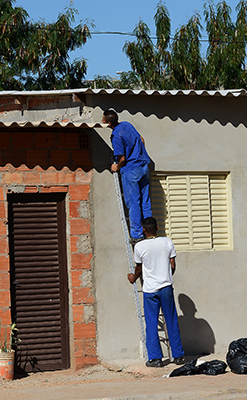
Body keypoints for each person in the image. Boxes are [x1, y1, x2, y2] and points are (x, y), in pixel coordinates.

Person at [128, 217, 185, 368]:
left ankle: (156, 359)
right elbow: (172, 265)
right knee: (171, 320)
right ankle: (178, 356)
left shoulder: (140, 246)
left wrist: (133, 277)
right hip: (166, 287)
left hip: (150, 290)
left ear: (143, 230)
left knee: (151, 323)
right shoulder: (167, 242)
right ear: (158, 227)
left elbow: (139, 268)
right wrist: (165, 277)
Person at [103, 109, 152, 242]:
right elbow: (141, 140)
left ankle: (137, 235)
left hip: (131, 170)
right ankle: (150, 231)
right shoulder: (127, 125)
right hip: (143, 166)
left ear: (108, 123)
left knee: (134, 203)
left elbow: (122, 159)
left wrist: (116, 167)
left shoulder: (116, 136)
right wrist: (140, 155)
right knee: (145, 201)